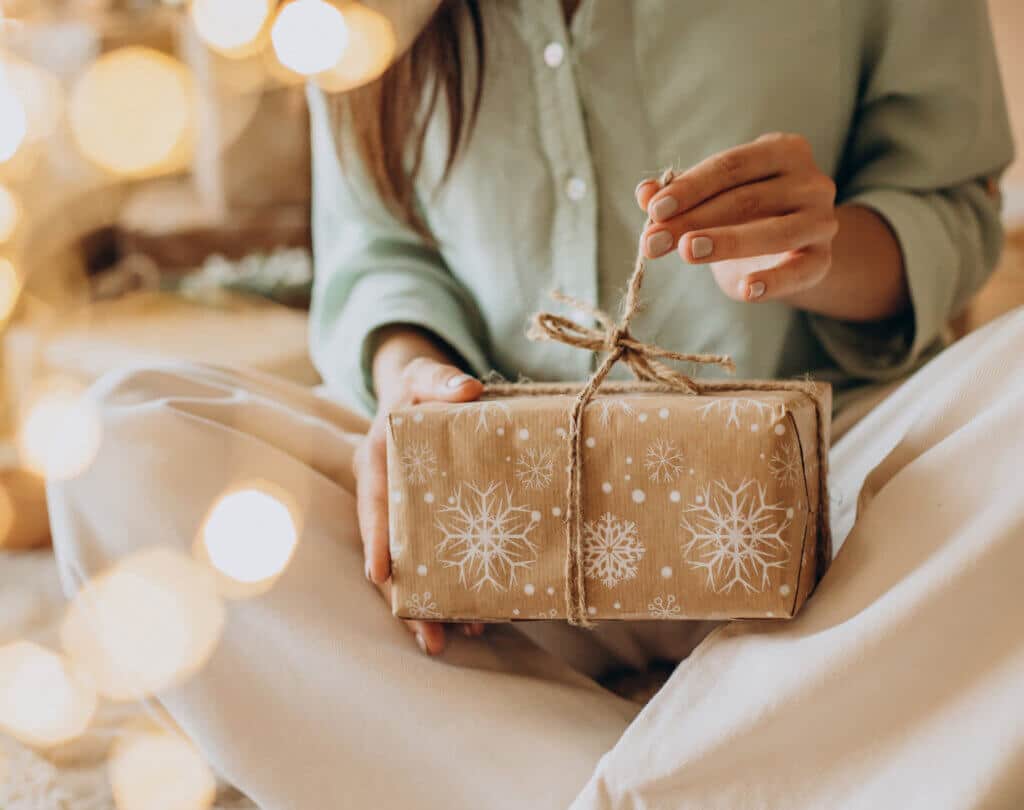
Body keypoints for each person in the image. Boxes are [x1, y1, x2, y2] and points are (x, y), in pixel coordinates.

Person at [51, 1, 1022, 808]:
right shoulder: (344, 20)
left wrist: (821, 246)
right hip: (487, 526)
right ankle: (756, 764)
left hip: (821, 523)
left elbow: (948, 207)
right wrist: (408, 388)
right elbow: (378, 254)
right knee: (119, 441)